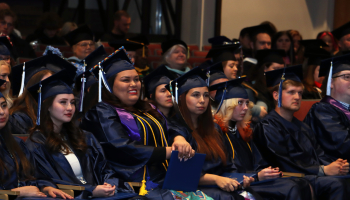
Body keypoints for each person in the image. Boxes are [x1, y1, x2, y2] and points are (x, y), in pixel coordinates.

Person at [80, 47, 194, 198]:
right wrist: (169, 152)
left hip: (164, 180)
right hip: (131, 185)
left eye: (136, 79)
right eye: (125, 80)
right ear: (109, 85)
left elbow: (172, 127)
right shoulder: (102, 111)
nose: (134, 84)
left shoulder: (147, 107)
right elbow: (121, 147)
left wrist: (178, 138)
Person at [25, 70, 134, 198]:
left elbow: (104, 169)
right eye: (63, 102)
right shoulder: (37, 142)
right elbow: (47, 181)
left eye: (72, 102)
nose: (70, 108)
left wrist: (109, 184)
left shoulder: (85, 137)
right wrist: (90, 190)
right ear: (47, 105)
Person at [253, 65, 350, 200]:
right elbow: (284, 163)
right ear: (276, 95)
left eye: (300, 93)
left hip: (309, 176)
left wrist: (336, 165)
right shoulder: (267, 126)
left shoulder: (302, 127)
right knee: (336, 184)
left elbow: (318, 154)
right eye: (291, 92)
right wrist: (323, 170)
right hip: (287, 179)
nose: (297, 97)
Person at [166, 67, 260, 200]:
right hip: (194, 189)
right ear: (181, 98)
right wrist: (217, 180)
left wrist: (239, 179)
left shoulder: (214, 128)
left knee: (251, 195)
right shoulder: (176, 129)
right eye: (195, 95)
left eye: (205, 95)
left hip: (219, 184)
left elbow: (228, 165)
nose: (202, 100)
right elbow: (184, 175)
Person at [211, 78, 312, 200]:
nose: (245, 108)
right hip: (235, 184)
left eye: (247, 103)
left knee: (301, 184)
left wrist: (266, 172)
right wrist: (257, 176)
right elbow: (226, 169)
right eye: (240, 103)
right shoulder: (216, 132)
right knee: (290, 187)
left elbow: (258, 162)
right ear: (227, 105)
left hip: (252, 180)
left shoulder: (244, 131)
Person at [0, 87, 73, 199]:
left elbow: (32, 176)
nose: (1, 112)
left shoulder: (15, 143)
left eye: (4, 106)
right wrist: (16, 192)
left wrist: (46, 187)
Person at [9, 54, 77, 135]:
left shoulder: (57, 114)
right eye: (44, 85)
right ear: (31, 88)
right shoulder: (20, 118)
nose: (49, 89)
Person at [304, 54, 350, 161]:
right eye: (347, 77)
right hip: (335, 172)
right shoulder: (322, 110)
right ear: (331, 83)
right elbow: (343, 146)